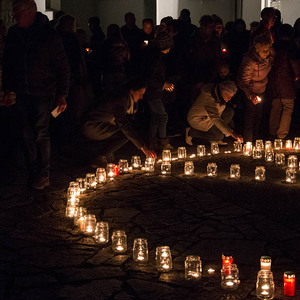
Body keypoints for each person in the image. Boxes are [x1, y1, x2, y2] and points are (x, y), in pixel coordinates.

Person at [2, 0, 70, 189]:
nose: (14, 16)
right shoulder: (15, 34)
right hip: (22, 93)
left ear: (30, 12)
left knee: (41, 133)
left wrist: (62, 94)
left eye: (17, 12)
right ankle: (32, 170)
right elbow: (9, 64)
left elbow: (62, 67)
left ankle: (43, 173)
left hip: (43, 93)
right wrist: (8, 89)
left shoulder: (48, 35)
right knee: (25, 134)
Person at [81, 80, 156, 167]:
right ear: (132, 90)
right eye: (140, 93)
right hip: (91, 126)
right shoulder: (120, 99)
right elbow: (124, 125)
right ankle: (100, 157)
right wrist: (144, 148)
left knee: (123, 134)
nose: (141, 97)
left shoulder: (125, 98)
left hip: (98, 124)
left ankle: (105, 154)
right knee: (124, 134)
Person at [140, 31, 175, 150]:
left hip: (153, 92)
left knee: (155, 117)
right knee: (162, 116)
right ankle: (163, 142)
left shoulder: (155, 56)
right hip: (152, 93)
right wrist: (163, 84)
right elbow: (149, 78)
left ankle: (152, 141)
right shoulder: (156, 59)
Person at [237, 34, 274, 142]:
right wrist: (250, 95)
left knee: (259, 116)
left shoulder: (270, 56)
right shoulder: (250, 61)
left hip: (262, 89)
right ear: (257, 49)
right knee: (250, 116)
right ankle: (248, 142)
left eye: (268, 49)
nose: (267, 53)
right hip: (251, 90)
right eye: (264, 50)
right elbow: (243, 80)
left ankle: (256, 140)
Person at [268, 24, 300, 140]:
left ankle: (272, 131)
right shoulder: (291, 48)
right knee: (288, 107)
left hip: (274, 80)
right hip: (286, 81)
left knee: (275, 106)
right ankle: (281, 134)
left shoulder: (274, 46)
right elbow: (294, 65)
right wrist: (297, 77)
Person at [185, 81, 243, 145]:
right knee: (219, 136)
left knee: (229, 112)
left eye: (231, 97)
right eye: (228, 96)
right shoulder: (210, 99)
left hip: (209, 116)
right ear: (223, 92)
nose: (229, 99)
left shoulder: (216, 92)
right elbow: (215, 118)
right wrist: (232, 133)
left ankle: (218, 132)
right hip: (198, 120)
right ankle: (191, 132)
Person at [101, 24, 130, 93]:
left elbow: (102, 58)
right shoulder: (124, 44)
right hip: (121, 72)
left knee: (110, 95)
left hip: (109, 72)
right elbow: (128, 58)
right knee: (121, 94)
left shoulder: (106, 44)